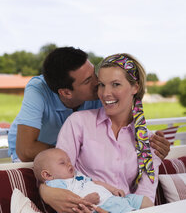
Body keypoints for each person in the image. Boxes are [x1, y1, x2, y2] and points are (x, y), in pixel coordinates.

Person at [40, 53, 162, 213]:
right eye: (101, 85)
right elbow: (58, 177)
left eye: (116, 84)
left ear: (135, 87)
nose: (105, 93)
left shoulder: (148, 140)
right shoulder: (78, 123)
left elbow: (146, 196)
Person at [8, 47, 170, 163]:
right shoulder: (38, 89)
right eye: (87, 81)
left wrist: (151, 142)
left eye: (94, 73)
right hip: (30, 156)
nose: (98, 81)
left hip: (68, 151)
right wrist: (76, 149)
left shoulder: (100, 91)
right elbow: (26, 150)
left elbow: (124, 128)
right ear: (66, 93)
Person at [34, 148, 153, 213]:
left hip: (114, 199)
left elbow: (94, 182)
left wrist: (113, 189)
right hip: (102, 207)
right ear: (47, 175)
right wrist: (86, 201)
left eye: (69, 160)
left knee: (144, 201)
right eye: (62, 163)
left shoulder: (76, 175)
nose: (69, 164)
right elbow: (68, 207)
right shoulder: (56, 185)